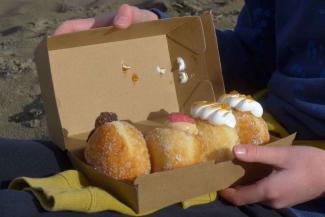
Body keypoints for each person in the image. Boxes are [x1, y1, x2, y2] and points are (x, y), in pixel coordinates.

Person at [54, 2, 325, 216]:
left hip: (300, 198)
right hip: (251, 136)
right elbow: (255, 56)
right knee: (23, 166)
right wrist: (164, 39)